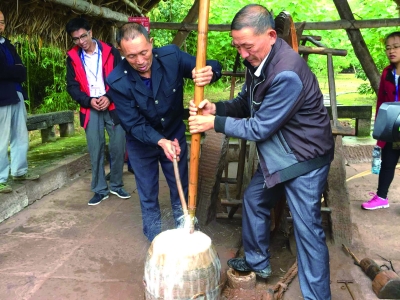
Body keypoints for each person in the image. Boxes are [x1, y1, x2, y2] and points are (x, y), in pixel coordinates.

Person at [188, 4, 334, 299]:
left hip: (304, 159)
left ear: (269, 35)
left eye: (247, 46)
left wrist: (212, 122)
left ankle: (318, 297)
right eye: (237, 46)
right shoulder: (258, 60)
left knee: (308, 233)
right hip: (280, 153)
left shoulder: (286, 73)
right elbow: (245, 104)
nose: (242, 53)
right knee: (254, 200)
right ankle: (258, 262)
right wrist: (218, 108)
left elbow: (259, 128)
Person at [106, 22, 222, 241]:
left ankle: (186, 235)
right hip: (142, 143)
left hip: (174, 133)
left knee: (182, 189)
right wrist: (160, 141)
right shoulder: (117, 80)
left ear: (151, 43)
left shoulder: (172, 57)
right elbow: (133, 124)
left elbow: (212, 65)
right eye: (131, 56)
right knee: (148, 194)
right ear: (121, 52)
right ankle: (155, 244)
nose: (140, 61)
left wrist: (209, 72)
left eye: (144, 52)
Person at [65, 18, 130, 205]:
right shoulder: (73, 57)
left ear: (91, 32)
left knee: (118, 145)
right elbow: (72, 86)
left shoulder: (110, 52)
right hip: (90, 106)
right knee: (96, 148)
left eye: (83, 36)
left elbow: (121, 79)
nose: (81, 41)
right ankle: (100, 189)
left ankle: (116, 185)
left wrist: (109, 96)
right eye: (76, 39)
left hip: (112, 104)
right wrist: (88, 101)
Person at [0, 10, 39, 194]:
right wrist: (11, 70)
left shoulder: (7, 44)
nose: (0, 25)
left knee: (20, 135)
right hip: (1, 98)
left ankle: (19, 171)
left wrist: (10, 71)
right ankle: (0, 178)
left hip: (16, 94)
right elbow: (9, 71)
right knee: (1, 140)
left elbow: (22, 72)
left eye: (2, 21)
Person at [362, 31, 400, 210]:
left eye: (396, 47)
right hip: (392, 127)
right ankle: (382, 197)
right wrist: (380, 130)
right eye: (388, 48)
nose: (391, 51)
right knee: (388, 162)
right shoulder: (387, 73)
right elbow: (381, 104)